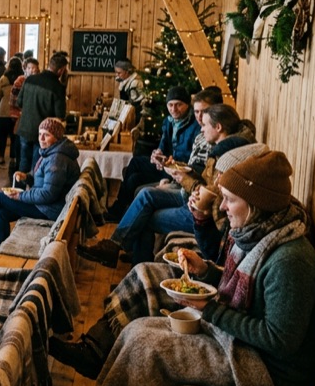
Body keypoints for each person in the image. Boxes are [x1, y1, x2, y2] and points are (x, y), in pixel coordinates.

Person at [50, 151, 315, 386]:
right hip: (238, 342)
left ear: (256, 204)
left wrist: (212, 310)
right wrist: (206, 271)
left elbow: (280, 341)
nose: (223, 205)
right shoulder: (257, 235)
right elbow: (242, 289)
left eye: (230, 199)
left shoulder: (290, 260)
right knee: (136, 331)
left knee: (149, 348)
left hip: (264, 371)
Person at [81, 103, 252, 267]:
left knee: (146, 217)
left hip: (202, 214)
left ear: (219, 127)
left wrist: (182, 178)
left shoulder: (228, 156)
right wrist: (185, 172)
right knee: (147, 194)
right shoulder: (221, 149)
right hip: (191, 197)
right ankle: (114, 246)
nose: (201, 127)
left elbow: (209, 196)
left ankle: (134, 266)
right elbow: (205, 182)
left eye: (205, 124)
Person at [0, 118, 79, 254]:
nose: (41, 138)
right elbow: (44, 181)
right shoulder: (52, 152)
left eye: (47, 135)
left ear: (57, 137)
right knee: (1, 214)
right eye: (40, 134)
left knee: (0, 197)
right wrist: (27, 177)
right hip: (47, 206)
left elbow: (48, 194)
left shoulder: (57, 159)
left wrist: (20, 196)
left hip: (49, 210)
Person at [104, 86, 199, 220]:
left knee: (133, 180)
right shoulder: (169, 121)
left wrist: (168, 161)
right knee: (135, 163)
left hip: (178, 170)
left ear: (187, 105)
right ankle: (121, 209)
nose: (174, 109)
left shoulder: (195, 125)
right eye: (170, 105)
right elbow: (163, 145)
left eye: (179, 105)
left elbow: (191, 157)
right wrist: (157, 153)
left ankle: (121, 212)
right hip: (166, 165)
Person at [15, 53, 68, 173]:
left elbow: (19, 102)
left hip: (24, 128)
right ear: (61, 70)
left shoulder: (30, 79)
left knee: (22, 166)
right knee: (37, 169)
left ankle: (18, 191)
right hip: (42, 133)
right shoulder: (58, 87)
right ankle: (34, 191)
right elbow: (60, 115)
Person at [0, 57, 23, 169]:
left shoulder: (3, 78)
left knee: (2, 136)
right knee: (15, 136)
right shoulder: (23, 79)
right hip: (17, 111)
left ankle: (1, 157)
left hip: (3, 111)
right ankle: (13, 158)